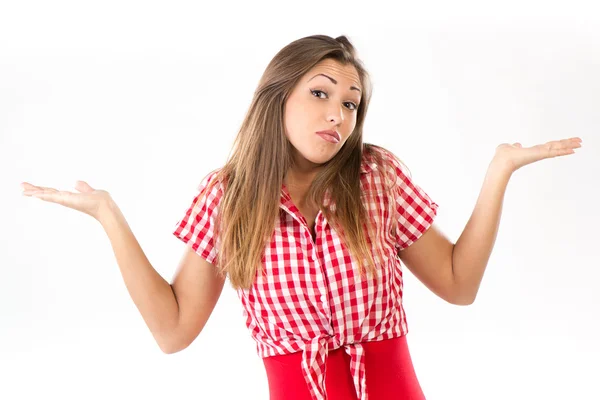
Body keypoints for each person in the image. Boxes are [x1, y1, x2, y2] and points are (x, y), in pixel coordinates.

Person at [21, 34, 582, 400]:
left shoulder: (376, 176)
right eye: (321, 92)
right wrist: (109, 217)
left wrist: (499, 171)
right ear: (278, 94)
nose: (337, 114)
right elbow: (173, 332)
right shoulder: (227, 198)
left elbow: (459, 285)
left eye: (350, 103)